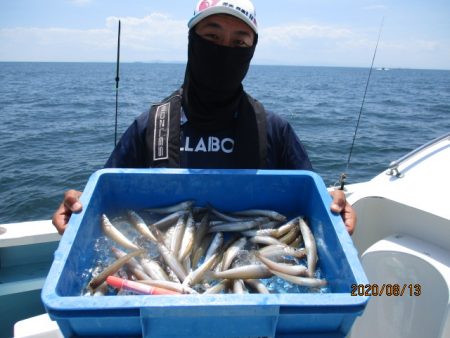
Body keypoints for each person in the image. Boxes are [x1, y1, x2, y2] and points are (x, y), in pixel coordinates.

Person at [52, 0, 356, 235]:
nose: (224, 50)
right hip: (166, 281)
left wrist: (335, 202)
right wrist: (79, 203)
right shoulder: (149, 127)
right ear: (192, 41)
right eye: (212, 36)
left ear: (251, 52)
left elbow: (312, 200)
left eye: (239, 43)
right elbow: (107, 198)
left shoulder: (275, 130)